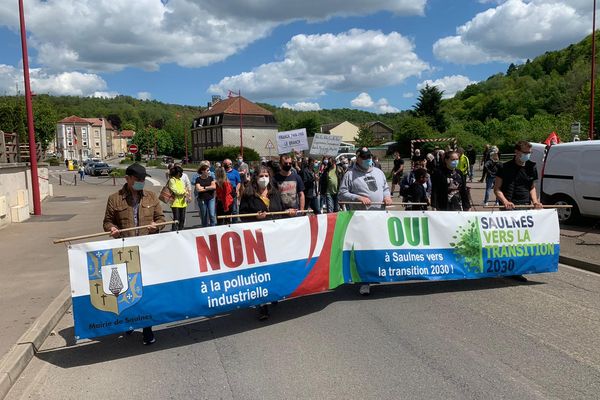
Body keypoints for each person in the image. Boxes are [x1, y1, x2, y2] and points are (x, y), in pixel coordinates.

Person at [103, 163, 165, 345]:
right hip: (125, 251)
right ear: (127, 179)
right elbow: (107, 222)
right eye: (137, 180)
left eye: (143, 180)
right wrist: (112, 228)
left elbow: (161, 219)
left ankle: (147, 328)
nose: (141, 183)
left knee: (145, 291)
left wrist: (157, 225)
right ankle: (129, 321)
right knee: (128, 290)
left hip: (147, 250)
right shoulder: (115, 199)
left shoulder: (152, 197)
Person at [239, 166, 295, 320]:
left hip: (275, 239)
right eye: (261, 175)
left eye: (266, 175)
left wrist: (289, 212)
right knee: (261, 272)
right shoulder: (248, 194)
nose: (264, 178)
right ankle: (263, 305)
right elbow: (242, 215)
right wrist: (255, 218)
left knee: (275, 268)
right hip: (258, 240)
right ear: (255, 178)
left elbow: (282, 209)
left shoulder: (275, 192)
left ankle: (274, 293)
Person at [338, 147, 392, 296]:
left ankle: (375, 274)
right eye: (365, 157)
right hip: (361, 218)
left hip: (379, 216)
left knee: (377, 246)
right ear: (358, 158)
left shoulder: (378, 172)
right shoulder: (350, 174)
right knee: (364, 249)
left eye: (369, 157)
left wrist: (387, 196)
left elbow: (385, 188)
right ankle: (364, 281)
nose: (368, 159)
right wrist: (358, 198)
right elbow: (342, 194)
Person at [494, 141, 543, 282]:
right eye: (524, 153)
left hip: (525, 207)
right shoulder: (504, 167)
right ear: (516, 152)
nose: (527, 155)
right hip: (509, 208)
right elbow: (497, 189)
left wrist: (535, 202)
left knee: (522, 241)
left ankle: (517, 268)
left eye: (529, 153)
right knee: (509, 240)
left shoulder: (531, 167)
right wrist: (505, 202)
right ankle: (508, 267)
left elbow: (531, 187)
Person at [168, 165, 188, 231]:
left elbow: (184, 188)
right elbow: (176, 191)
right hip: (175, 202)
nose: (181, 174)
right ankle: (174, 231)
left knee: (182, 219)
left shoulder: (180, 180)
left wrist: (185, 192)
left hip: (182, 202)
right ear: (176, 173)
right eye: (180, 173)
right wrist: (184, 192)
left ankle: (181, 230)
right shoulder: (172, 180)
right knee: (176, 219)